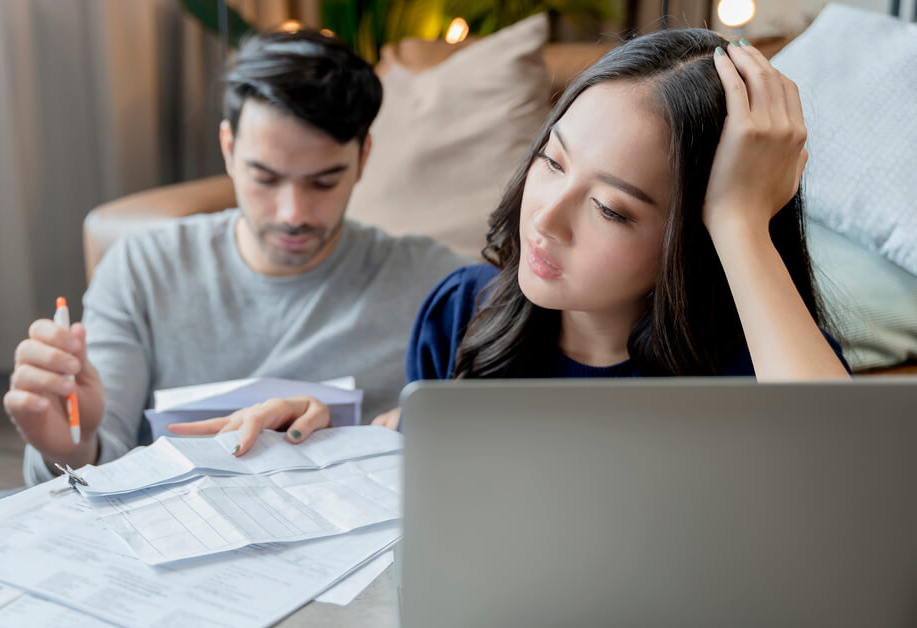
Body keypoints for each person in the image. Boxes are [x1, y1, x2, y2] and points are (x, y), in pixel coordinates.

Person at [173, 29, 852, 454]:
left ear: (694, 234)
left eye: (611, 209)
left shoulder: (755, 361)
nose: (546, 219)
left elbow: (850, 485)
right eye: (552, 162)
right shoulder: (463, 314)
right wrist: (338, 441)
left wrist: (739, 220)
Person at [4, 31, 464, 484]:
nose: (293, 214)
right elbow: (97, 465)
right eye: (265, 178)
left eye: (323, 182)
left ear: (363, 157)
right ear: (228, 149)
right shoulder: (143, 270)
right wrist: (71, 448)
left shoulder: (435, 285)